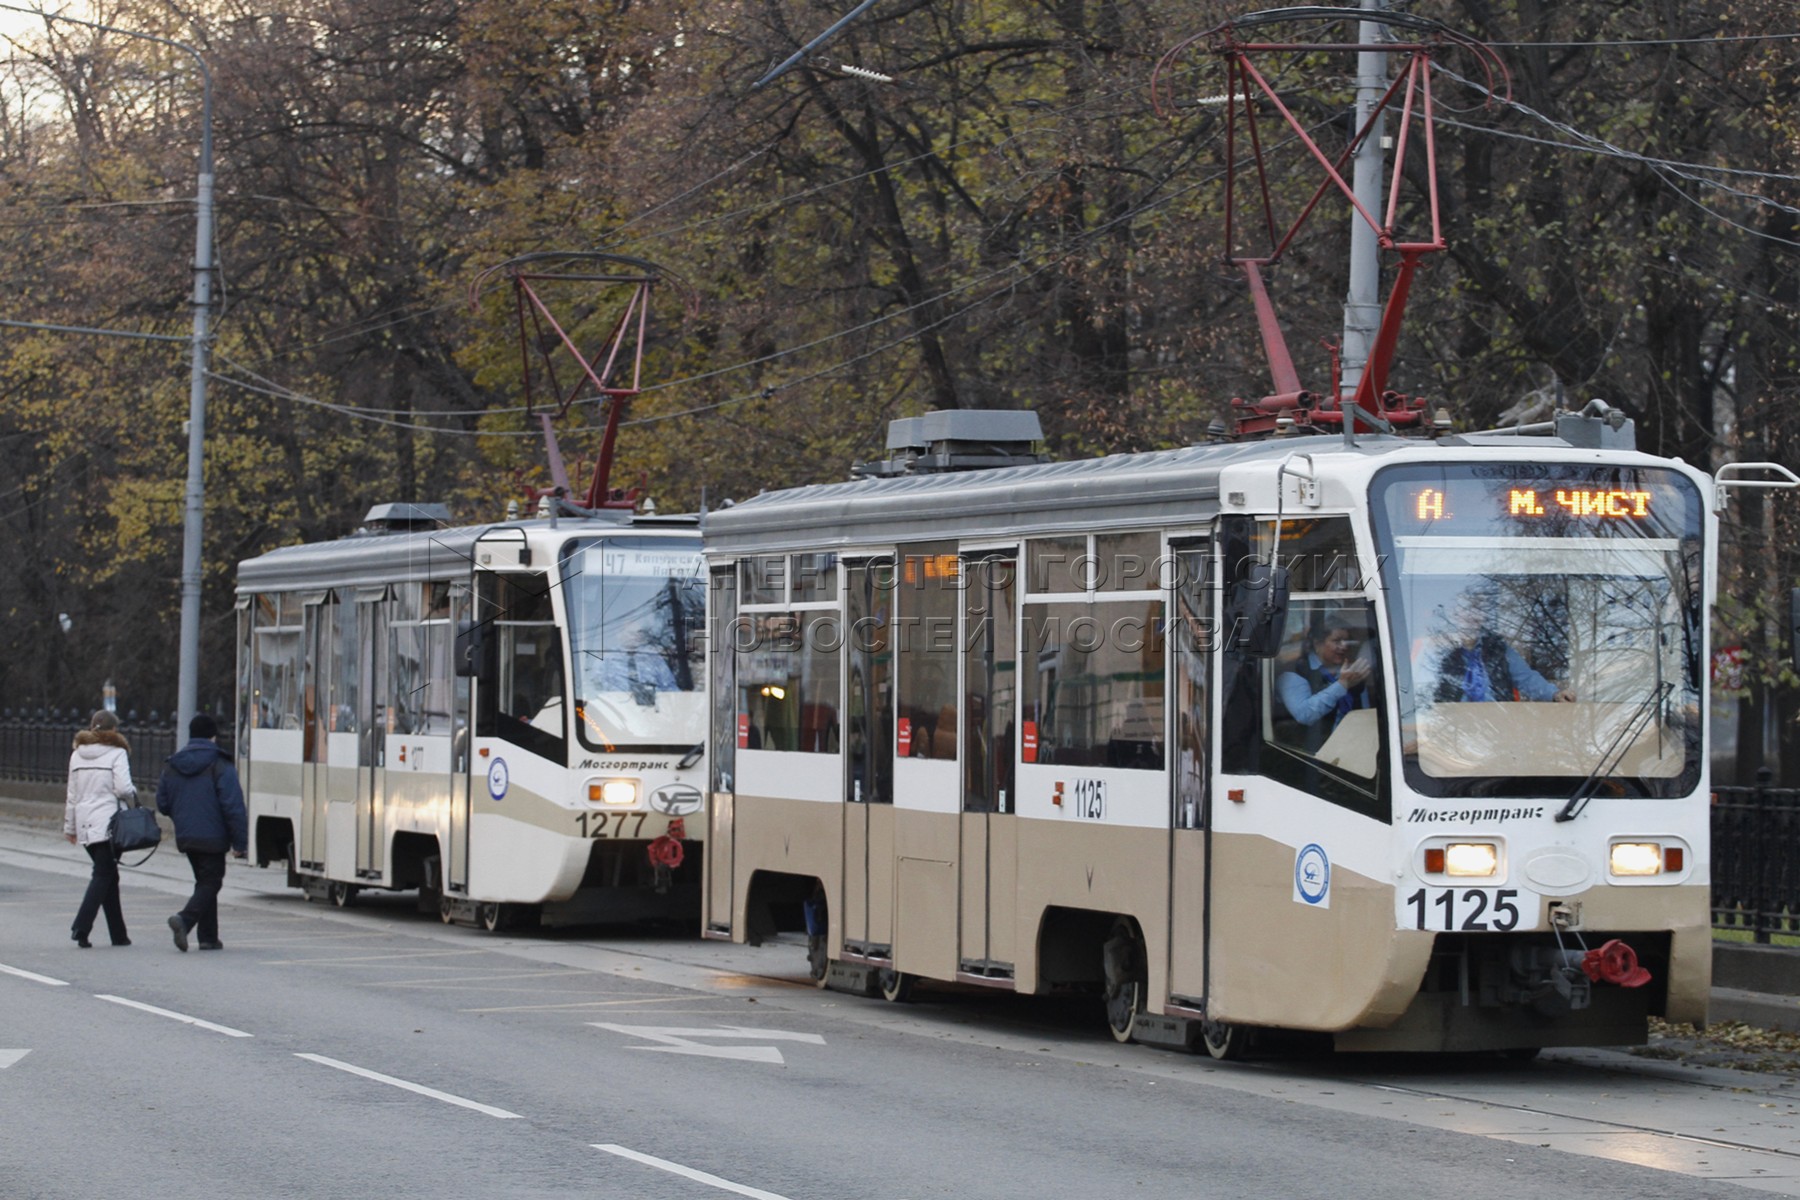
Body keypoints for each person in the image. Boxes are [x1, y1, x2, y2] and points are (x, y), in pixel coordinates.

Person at [156, 713, 247, 952]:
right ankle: (184, 920)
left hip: (186, 836)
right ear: (213, 736)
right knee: (211, 882)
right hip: (214, 836)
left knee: (204, 882)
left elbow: (162, 803)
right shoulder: (219, 763)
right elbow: (233, 805)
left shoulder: (173, 764)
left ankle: (208, 937)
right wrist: (241, 841)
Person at [1429, 586, 1574, 704]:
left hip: (1499, 725)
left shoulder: (1498, 649)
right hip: (1460, 729)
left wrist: (1554, 694)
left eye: (1475, 609)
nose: (1470, 615)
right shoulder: (1444, 658)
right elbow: (1437, 697)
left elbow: (1526, 678)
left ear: (1482, 617)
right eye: (1464, 610)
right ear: (1455, 616)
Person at [64, 710, 135, 948]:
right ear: (113, 730)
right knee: (104, 874)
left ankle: (119, 935)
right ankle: (81, 927)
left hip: (85, 823)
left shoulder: (77, 755)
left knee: (109, 876)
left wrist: (70, 827)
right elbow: (124, 788)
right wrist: (134, 802)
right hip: (109, 824)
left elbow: (72, 796)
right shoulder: (117, 753)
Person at [1276, 609, 1375, 752]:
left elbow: (1364, 712)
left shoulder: (1348, 671)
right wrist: (1341, 685)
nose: (1344, 646)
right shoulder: (1293, 674)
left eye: (1347, 640)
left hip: (1352, 749)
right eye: (1336, 641)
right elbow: (1305, 715)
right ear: (1317, 644)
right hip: (1304, 755)